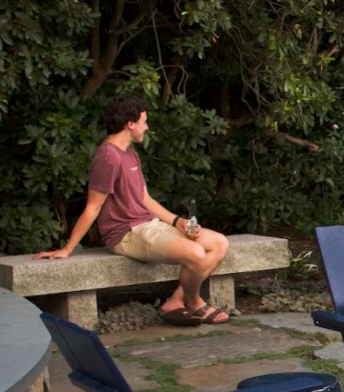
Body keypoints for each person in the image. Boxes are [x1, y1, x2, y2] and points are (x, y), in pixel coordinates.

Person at [34, 95, 231, 326]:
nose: (147, 127)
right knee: (196, 254)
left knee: (219, 243)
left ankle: (175, 301)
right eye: (144, 121)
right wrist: (68, 249)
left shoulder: (129, 153)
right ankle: (195, 302)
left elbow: (144, 198)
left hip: (149, 225)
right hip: (126, 233)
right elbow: (92, 207)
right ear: (130, 123)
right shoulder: (107, 158)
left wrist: (178, 221)